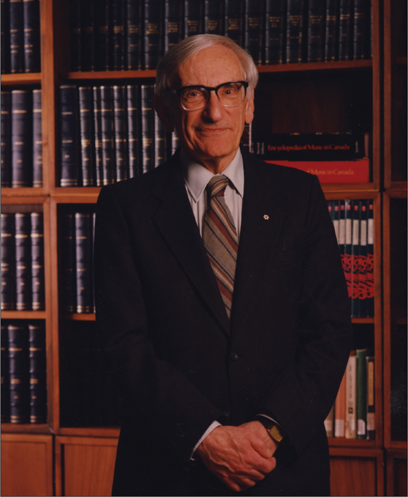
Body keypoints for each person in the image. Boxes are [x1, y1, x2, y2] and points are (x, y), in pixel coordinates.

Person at [94, 34, 352, 496]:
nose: (215, 112)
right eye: (195, 94)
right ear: (165, 109)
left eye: (230, 91)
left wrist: (268, 432)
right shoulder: (124, 207)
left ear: (249, 104)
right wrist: (206, 438)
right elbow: (123, 346)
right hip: (169, 471)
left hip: (281, 466)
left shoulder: (300, 196)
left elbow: (329, 333)